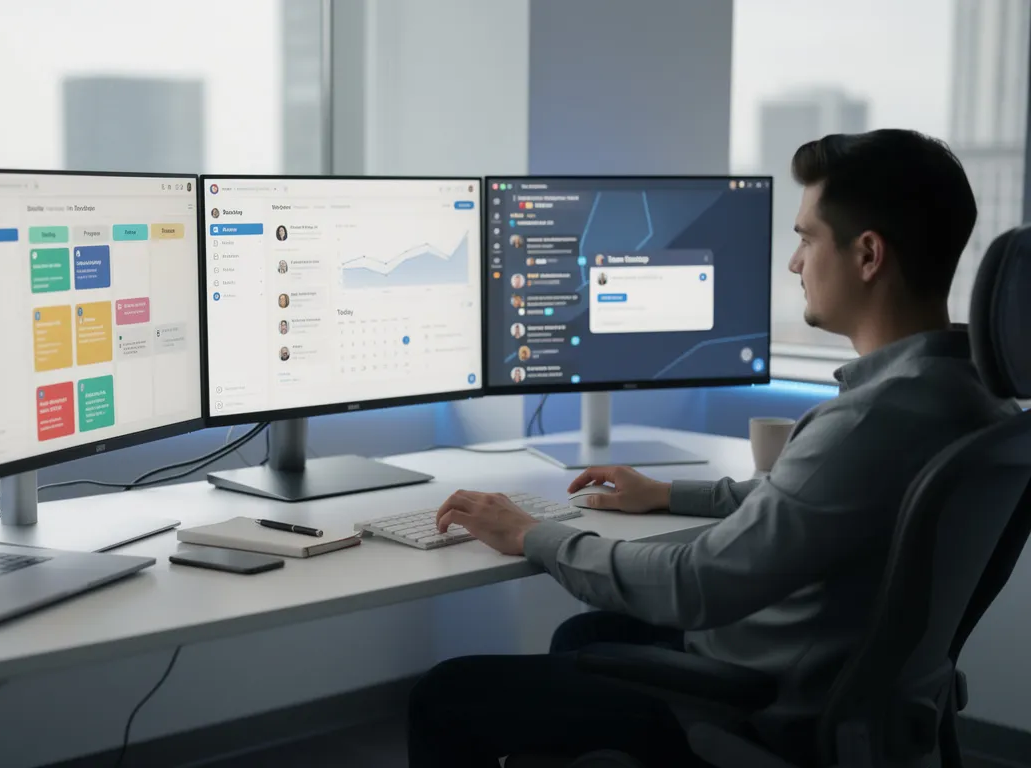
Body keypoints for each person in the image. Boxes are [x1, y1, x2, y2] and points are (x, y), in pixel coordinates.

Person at [407, 129, 1021, 768]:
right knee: (588, 636)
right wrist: (668, 493)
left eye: (806, 238)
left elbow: (696, 584)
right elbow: (808, 500)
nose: (794, 262)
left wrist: (531, 533)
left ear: (868, 255)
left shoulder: (869, 421)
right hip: (853, 696)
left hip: (769, 712)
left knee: (445, 697)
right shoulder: (970, 398)